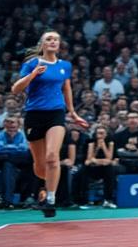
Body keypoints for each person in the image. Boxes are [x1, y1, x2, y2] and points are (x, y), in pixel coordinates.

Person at [11, 30, 88, 216]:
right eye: (49, 39)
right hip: (34, 115)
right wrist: (33, 75)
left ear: (59, 44)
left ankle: (51, 200)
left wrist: (73, 113)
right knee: (39, 166)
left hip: (56, 113)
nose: (53, 42)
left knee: (52, 157)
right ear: (42, 45)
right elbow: (15, 89)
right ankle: (44, 189)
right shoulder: (32, 64)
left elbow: (66, 87)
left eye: (56, 39)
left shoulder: (65, 66)